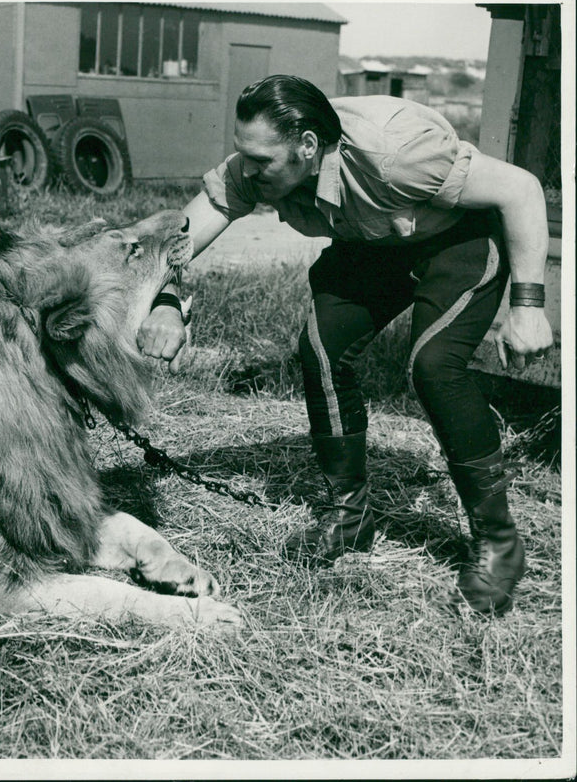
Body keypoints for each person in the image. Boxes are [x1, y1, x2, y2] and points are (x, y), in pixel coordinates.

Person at [138, 74, 553, 616]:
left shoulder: (395, 153)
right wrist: (166, 301)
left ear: (308, 146)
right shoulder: (258, 165)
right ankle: (351, 516)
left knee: (433, 367)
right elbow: (174, 242)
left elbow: (521, 188)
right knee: (322, 350)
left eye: (261, 159)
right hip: (376, 243)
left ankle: (498, 540)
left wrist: (528, 307)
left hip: (460, 238)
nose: (247, 169)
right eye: (243, 153)